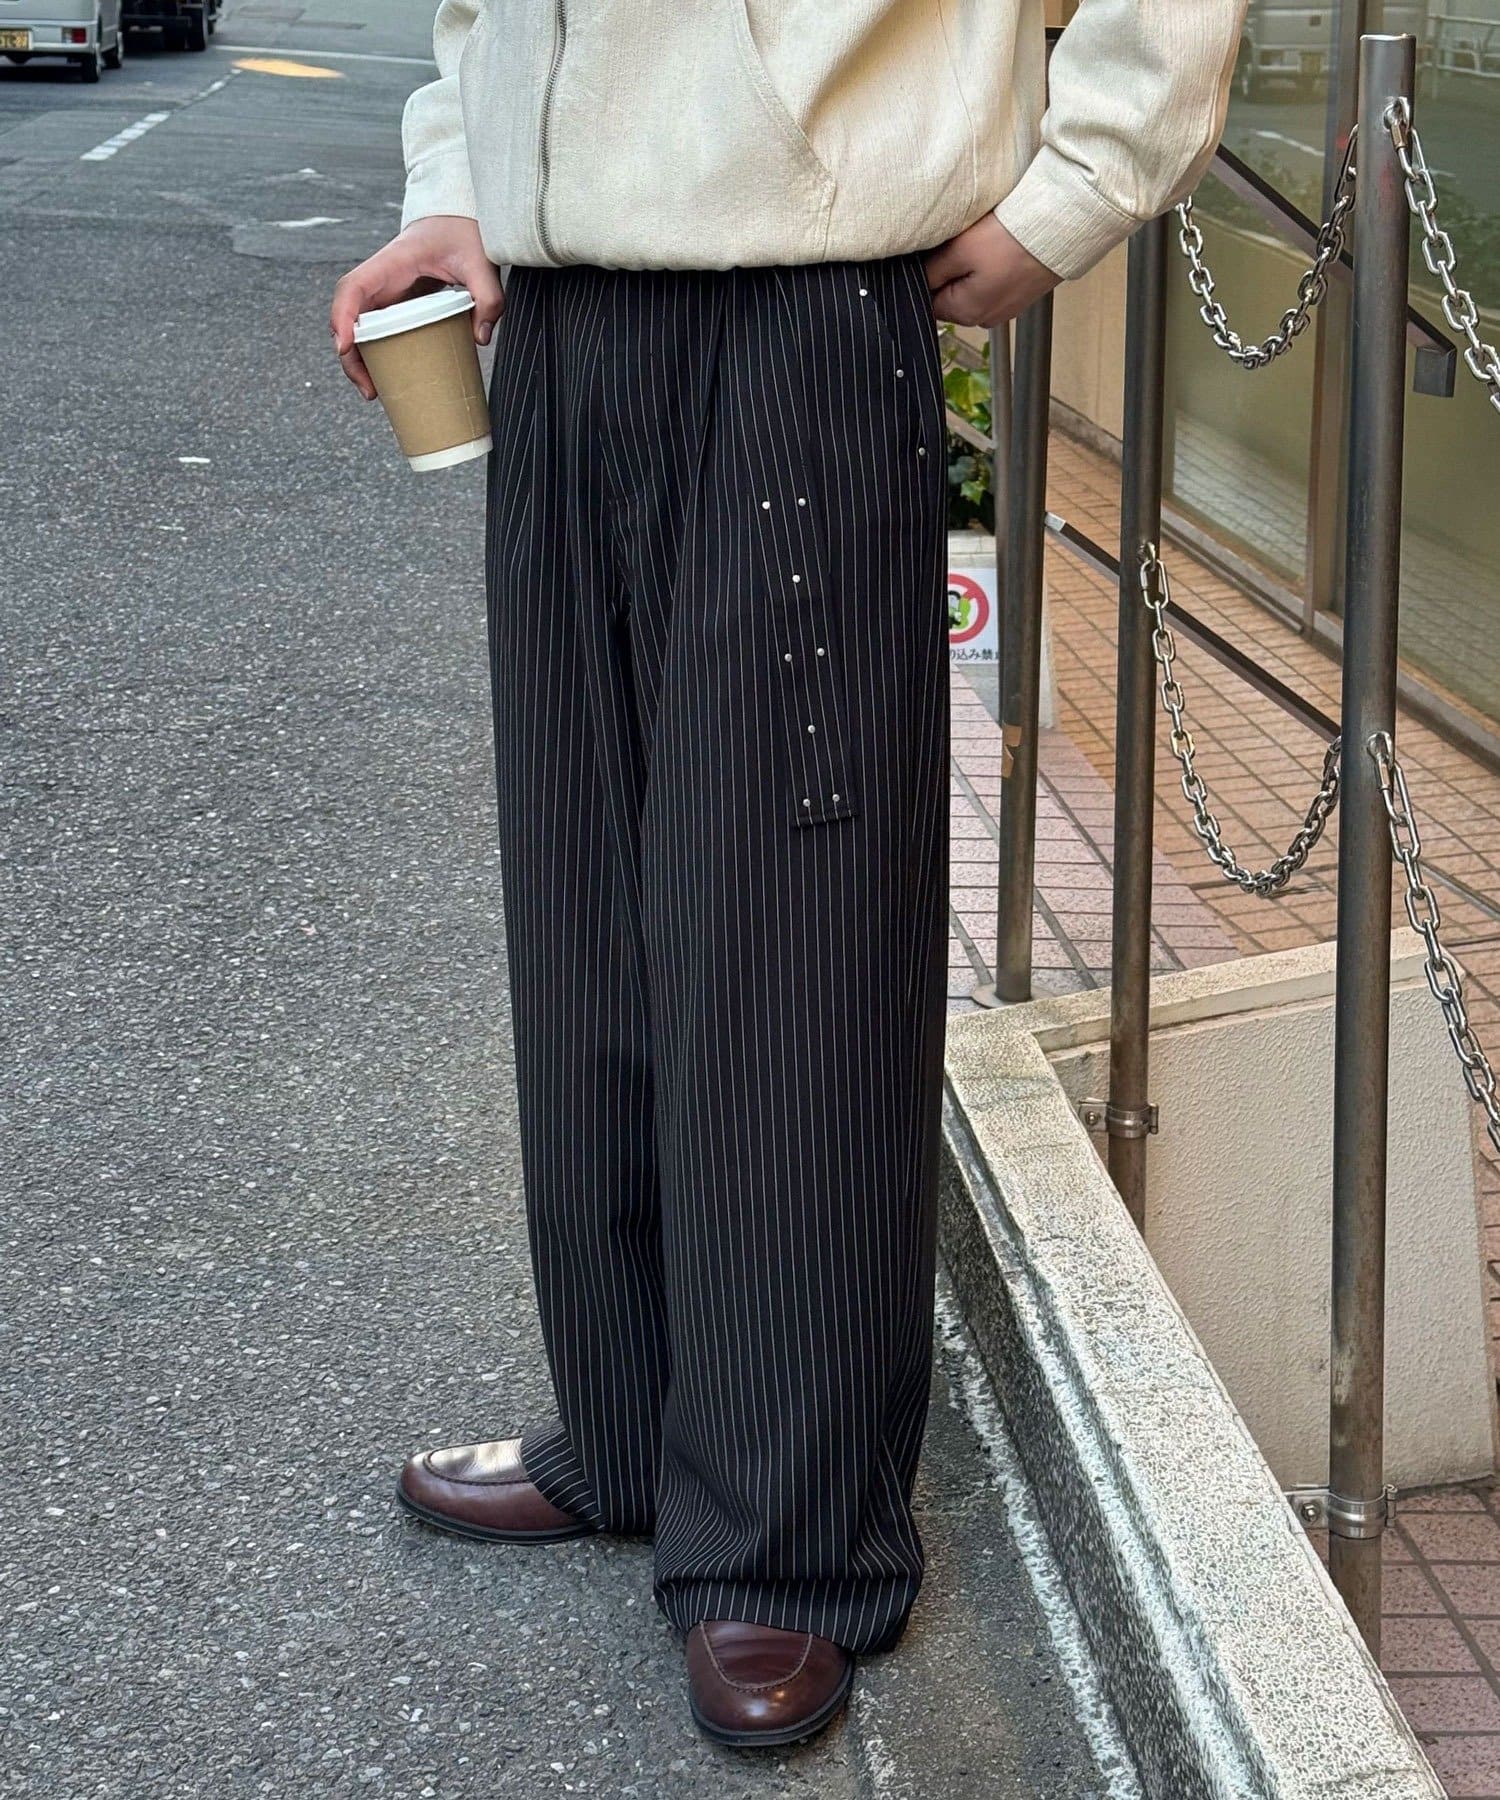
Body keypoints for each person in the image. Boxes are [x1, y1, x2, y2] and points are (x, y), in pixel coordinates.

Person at [331, 0, 1244, 1750]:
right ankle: (631, 1427)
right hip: (563, 318)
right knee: (588, 913)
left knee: (788, 940)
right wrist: (460, 185)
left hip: (800, 310)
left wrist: (1076, 187)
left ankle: (791, 1538)